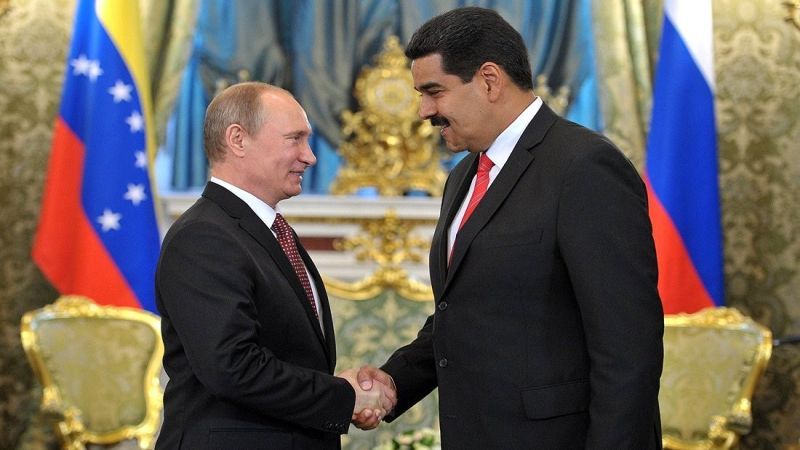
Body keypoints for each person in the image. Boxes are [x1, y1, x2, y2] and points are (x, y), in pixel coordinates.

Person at [355, 7, 664, 449]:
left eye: (434, 92)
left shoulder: (585, 166)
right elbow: (466, 311)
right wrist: (393, 382)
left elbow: (628, 345)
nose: (424, 111)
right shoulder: (463, 176)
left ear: (489, 80)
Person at [155, 81, 394, 449]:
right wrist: (343, 396)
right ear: (238, 140)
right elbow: (232, 366)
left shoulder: (267, 230)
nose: (310, 157)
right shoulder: (204, 236)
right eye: (294, 139)